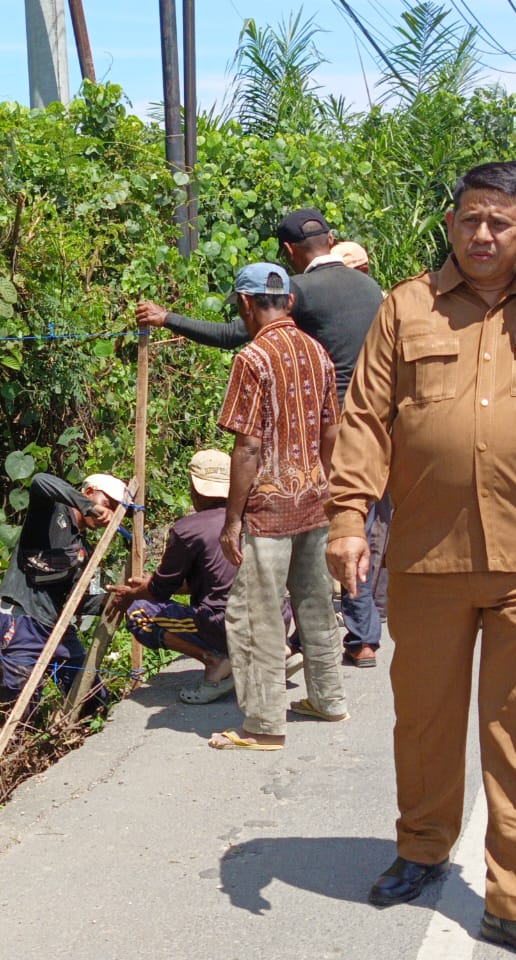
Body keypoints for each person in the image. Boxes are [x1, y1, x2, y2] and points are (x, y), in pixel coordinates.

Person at [326, 160, 516, 958]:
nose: (483, 234)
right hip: (429, 555)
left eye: (500, 221)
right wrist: (348, 517)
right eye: (470, 219)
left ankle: (514, 900)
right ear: (451, 221)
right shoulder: (407, 307)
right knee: (424, 720)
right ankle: (423, 848)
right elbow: (365, 417)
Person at [136, 208, 386, 669]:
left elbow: (237, 335)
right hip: (384, 422)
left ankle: (316, 640)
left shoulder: (299, 292)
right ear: (331, 240)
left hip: (332, 426)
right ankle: (366, 632)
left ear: (288, 252)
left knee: (326, 529)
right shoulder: (370, 287)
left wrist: (167, 317)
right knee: (370, 521)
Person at [207, 262, 347, 751]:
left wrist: (231, 519)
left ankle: (263, 724)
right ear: (287, 301)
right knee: (316, 603)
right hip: (315, 500)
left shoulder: (253, 358)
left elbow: (247, 446)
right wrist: (325, 485)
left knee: (255, 614)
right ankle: (328, 699)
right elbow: (332, 430)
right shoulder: (318, 353)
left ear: (246, 304)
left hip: (267, 511)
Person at [105, 449, 237, 705]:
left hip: (224, 624)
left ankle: (214, 659)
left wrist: (132, 594)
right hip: (275, 618)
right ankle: (278, 651)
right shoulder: (252, 518)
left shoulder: (188, 529)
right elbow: (217, 579)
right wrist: (152, 583)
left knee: (139, 612)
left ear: (195, 488)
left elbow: (159, 591)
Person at [0, 472, 121, 712]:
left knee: (90, 694)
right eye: (107, 505)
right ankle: (16, 745)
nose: (108, 515)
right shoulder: (52, 513)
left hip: (54, 626)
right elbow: (40, 481)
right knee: (19, 704)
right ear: (89, 492)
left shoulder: (85, 550)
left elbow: (80, 601)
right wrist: (88, 507)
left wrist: (115, 600)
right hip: (20, 619)